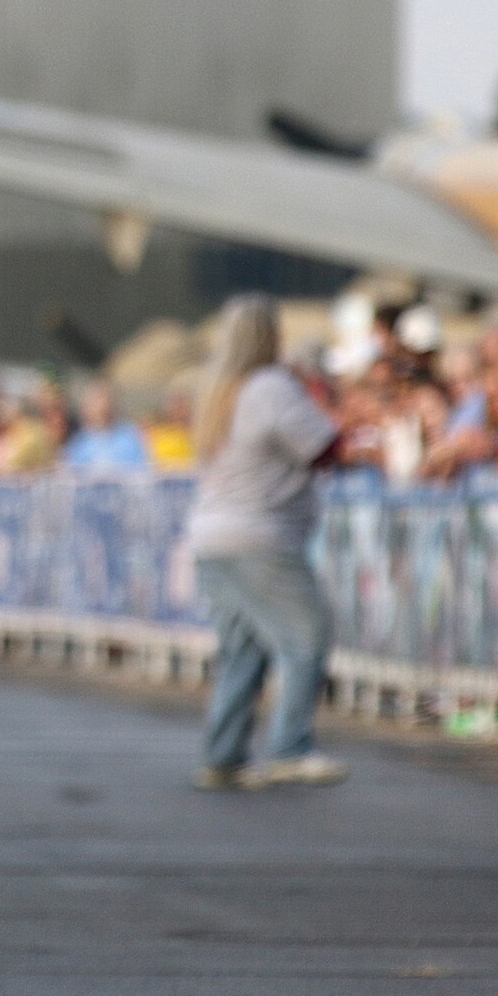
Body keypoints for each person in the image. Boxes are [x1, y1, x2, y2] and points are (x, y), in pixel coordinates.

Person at [185, 294, 346, 790]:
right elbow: (322, 447)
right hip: (260, 534)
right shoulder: (271, 387)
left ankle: (224, 753)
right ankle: (290, 747)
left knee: (243, 647)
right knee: (307, 634)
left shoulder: (215, 390)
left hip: (212, 535)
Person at [63, 379, 150, 469]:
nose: (102, 405)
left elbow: (144, 469)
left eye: (105, 399)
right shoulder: (78, 443)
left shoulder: (130, 436)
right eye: (96, 400)